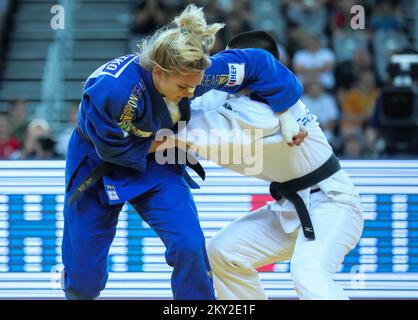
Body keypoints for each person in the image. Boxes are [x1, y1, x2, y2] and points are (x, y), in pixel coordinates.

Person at [62, 5, 305, 300]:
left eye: (194, 86)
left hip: (157, 164)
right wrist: (178, 141)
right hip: (97, 162)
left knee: (189, 244)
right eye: (183, 87)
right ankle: (77, 285)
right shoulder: (113, 92)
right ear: (159, 73)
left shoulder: (196, 74)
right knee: (84, 281)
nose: (191, 93)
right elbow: (115, 149)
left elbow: (259, 63)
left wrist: (285, 114)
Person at [179, 30, 364, 300]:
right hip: (289, 207)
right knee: (222, 253)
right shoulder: (230, 95)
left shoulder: (277, 108)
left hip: (332, 203)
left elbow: (195, 126)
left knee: (308, 273)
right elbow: (193, 99)